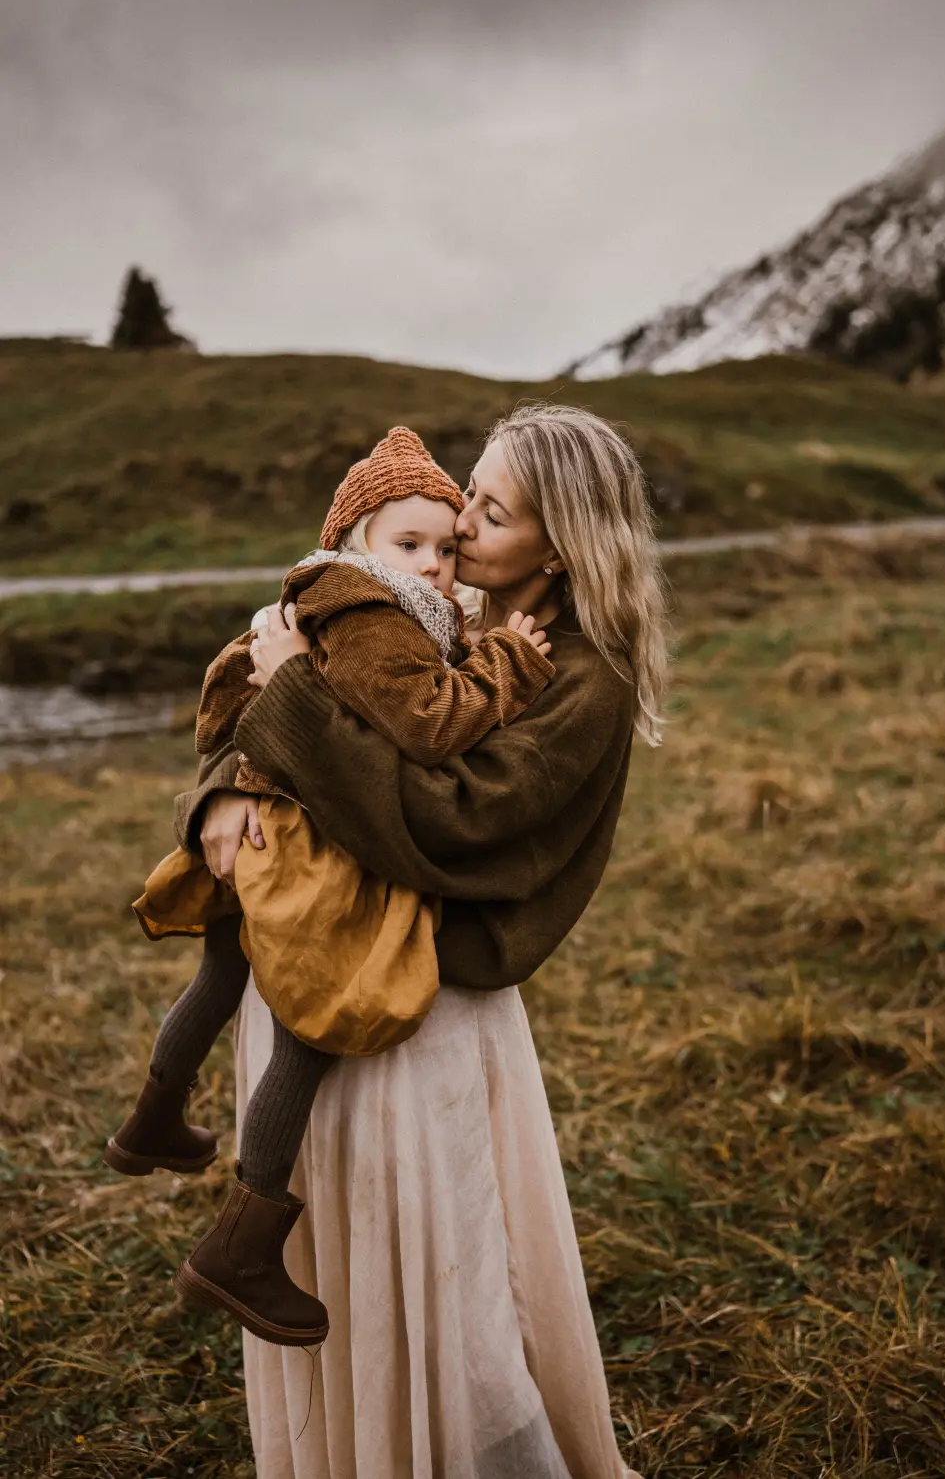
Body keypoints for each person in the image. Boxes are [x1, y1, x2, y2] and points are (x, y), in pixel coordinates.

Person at [173, 405, 667, 1479]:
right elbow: (261, 684)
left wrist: (289, 691)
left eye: (488, 509)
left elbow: (445, 821)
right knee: (342, 1268)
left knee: (449, 1284)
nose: (458, 521)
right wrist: (214, 795)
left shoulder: (580, 677)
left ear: (565, 539)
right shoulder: (428, 605)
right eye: (463, 497)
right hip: (315, 964)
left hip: (422, 1005)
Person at [104, 428, 554, 1347]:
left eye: (443, 544)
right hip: (311, 842)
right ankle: (245, 1237)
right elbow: (427, 726)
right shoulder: (369, 612)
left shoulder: (328, 599)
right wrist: (508, 660)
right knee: (315, 1022)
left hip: (274, 824)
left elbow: (234, 693)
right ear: (354, 540)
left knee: (221, 978)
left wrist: (231, 777)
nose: (436, 564)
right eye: (409, 546)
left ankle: (153, 1119)